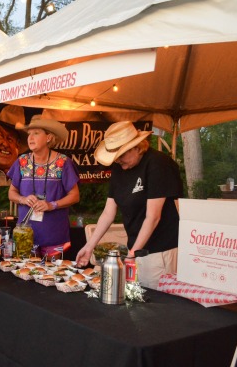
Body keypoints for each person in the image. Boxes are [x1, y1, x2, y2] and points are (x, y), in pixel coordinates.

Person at [76, 121, 184, 289]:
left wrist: (133, 253)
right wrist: (89, 247)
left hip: (159, 252)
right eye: (115, 156)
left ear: (137, 147)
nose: (118, 160)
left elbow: (153, 217)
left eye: (122, 155)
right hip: (136, 250)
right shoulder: (120, 168)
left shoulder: (158, 163)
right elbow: (108, 213)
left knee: (154, 306)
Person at [7, 115, 80, 257]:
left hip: (54, 235)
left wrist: (52, 205)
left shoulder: (63, 163)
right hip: (25, 235)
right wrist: (22, 199)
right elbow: (11, 192)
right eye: (29, 134)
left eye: (36, 133)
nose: (30, 138)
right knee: (24, 276)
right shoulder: (21, 162)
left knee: (51, 277)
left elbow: (75, 196)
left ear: (48, 138)